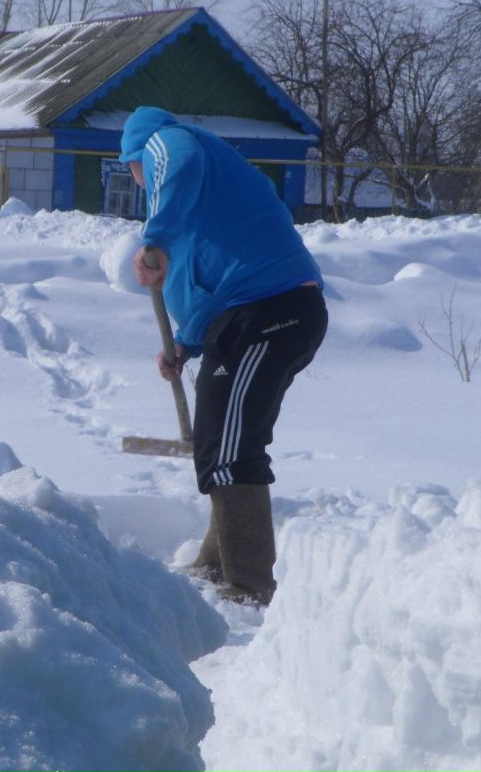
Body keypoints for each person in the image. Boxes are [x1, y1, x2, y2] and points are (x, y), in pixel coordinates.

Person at [121, 106, 328, 606]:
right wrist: (186, 346)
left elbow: (180, 161)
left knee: (231, 445)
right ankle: (217, 565)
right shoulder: (199, 202)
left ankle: (250, 585)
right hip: (244, 314)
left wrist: (157, 238)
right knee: (221, 432)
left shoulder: (166, 142)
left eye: (134, 171)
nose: (139, 181)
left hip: (270, 307)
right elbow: (210, 279)